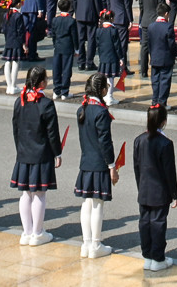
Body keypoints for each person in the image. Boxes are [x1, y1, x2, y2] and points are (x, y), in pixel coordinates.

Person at [10, 66, 61, 247]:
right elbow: (52, 132)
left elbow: (15, 128)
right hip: (41, 154)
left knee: (26, 193)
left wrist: (20, 148)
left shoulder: (20, 101)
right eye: (46, 79)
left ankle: (27, 232)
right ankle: (37, 233)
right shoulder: (46, 104)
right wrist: (57, 152)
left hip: (24, 152)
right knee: (39, 193)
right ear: (41, 83)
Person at [73, 72, 116, 259]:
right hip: (99, 164)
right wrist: (112, 165)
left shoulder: (82, 109)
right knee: (98, 204)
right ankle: (96, 245)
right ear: (102, 90)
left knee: (87, 203)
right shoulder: (101, 112)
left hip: (85, 162)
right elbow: (105, 142)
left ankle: (86, 243)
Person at [133, 104, 177, 272]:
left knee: (144, 223)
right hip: (160, 192)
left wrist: (140, 186)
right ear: (163, 121)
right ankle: (158, 258)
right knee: (158, 224)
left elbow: (136, 167)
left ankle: (147, 256)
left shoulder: (139, 140)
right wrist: (174, 194)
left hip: (144, 189)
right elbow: (169, 172)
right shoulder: (166, 143)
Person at [144, 10, 176, 107]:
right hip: (166, 58)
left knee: (155, 81)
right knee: (164, 81)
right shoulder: (168, 26)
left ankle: (155, 100)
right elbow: (171, 44)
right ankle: (162, 102)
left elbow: (148, 43)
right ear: (166, 13)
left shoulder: (151, 26)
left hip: (154, 57)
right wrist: (176, 54)